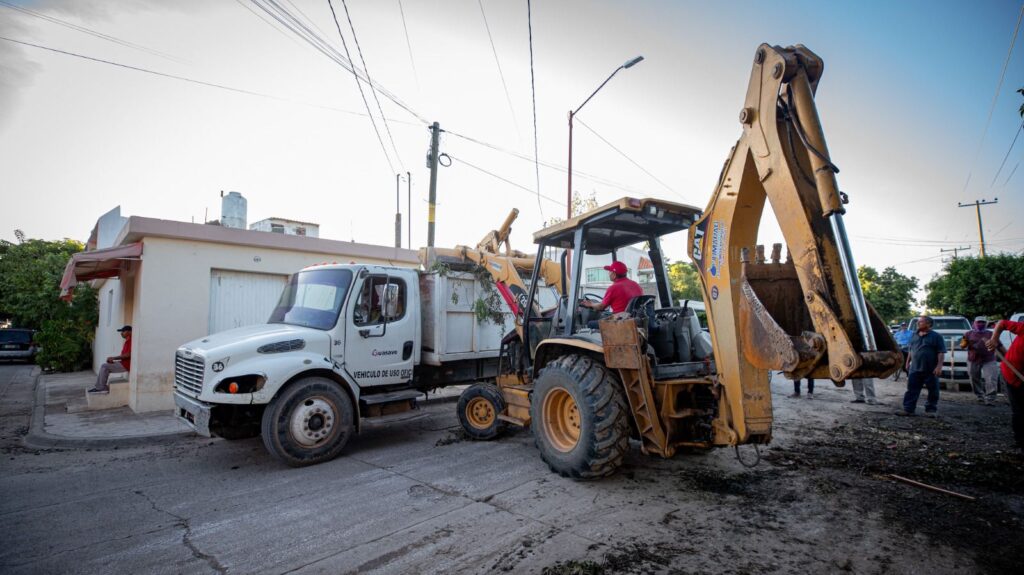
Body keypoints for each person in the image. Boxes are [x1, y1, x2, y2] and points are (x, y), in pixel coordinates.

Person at [896, 315, 945, 417]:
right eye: (918, 322)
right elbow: (911, 350)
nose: (918, 323)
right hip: (915, 368)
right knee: (912, 389)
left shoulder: (936, 336)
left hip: (931, 369)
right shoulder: (914, 335)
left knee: (933, 390)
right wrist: (907, 362)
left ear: (928, 324)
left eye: (921, 322)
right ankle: (908, 409)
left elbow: (941, 352)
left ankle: (931, 410)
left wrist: (939, 366)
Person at [987, 319, 1024, 450]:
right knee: (1019, 410)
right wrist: (994, 339)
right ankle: (1020, 441)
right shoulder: (1022, 328)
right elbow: (1002, 323)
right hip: (1010, 373)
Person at [961, 316, 999, 405]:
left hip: (989, 359)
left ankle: (990, 398)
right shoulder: (968, 334)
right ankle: (979, 396)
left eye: (982, 322)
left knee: (991, 378)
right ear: (974, 323)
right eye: (978, 322)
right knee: (974, 378)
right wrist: (965, 343)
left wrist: (1006, 355)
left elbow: (999, 345)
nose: (980, 324)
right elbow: (962, 345)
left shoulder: (991, 334)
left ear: (986, 324)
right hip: (973, 359)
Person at [88, 325, 132, 394]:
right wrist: (113, 360)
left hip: (126, 365)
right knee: (105, 365)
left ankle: (101, 388)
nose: (121, 333)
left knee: (105, 366)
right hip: (123, 363)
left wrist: (114, 358)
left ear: (129, 332)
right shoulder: (127, 341)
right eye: (121, 332)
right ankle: (99, 387)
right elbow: (124, 355)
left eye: (123, 331)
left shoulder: (131, 341)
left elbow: (128, 355)